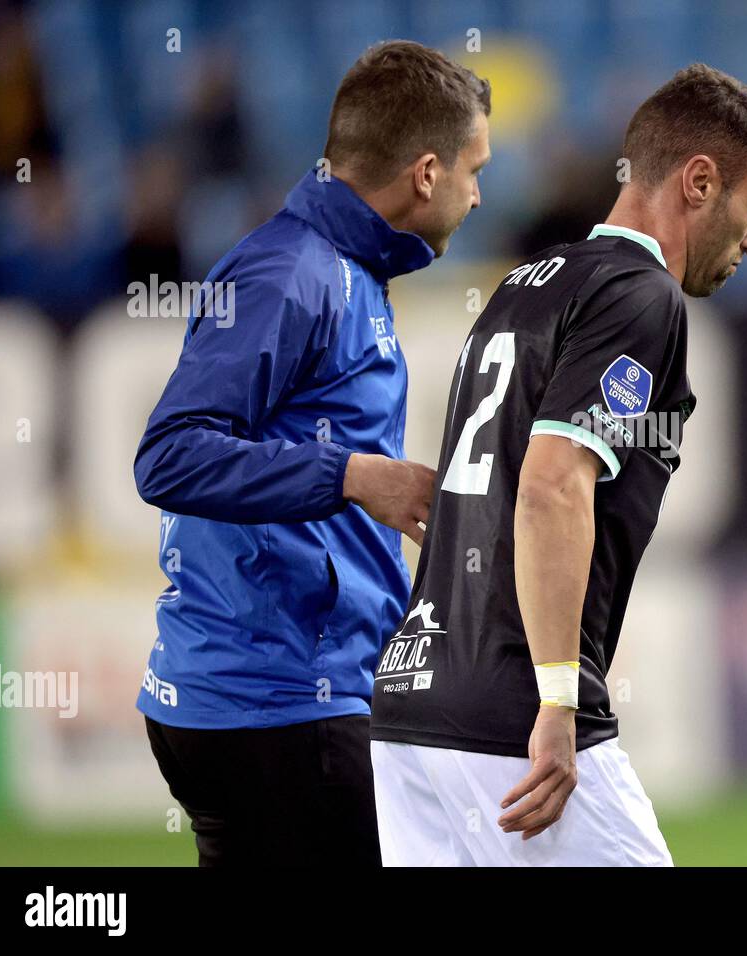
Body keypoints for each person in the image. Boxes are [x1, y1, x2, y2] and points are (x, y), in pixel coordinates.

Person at [369, 64, 747, 866]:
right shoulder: (642, 297)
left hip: (410, 708)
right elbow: (551, 484)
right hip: (513, 712)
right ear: (700, 182)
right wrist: (558, 700)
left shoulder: (524, 287)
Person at [133, 41, 491, 867]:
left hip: (287, 694)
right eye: (475, 171)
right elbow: (171, 457)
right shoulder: (290, 272)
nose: (480, 197)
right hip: (281, 705)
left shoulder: (346, 272)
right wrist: (357, 476)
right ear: (427, 172)